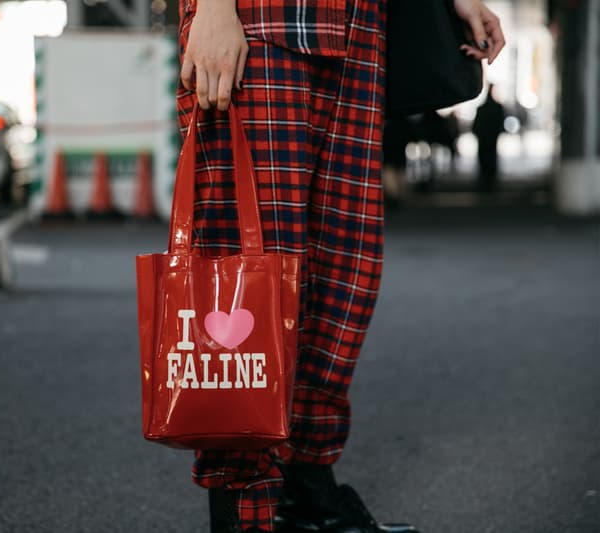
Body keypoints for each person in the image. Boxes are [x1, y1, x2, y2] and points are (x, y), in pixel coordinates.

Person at [175, 0, 505, 531]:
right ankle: (245, 511)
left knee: (344, 274)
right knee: (249, 278)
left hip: (359, 30)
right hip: (261, 22)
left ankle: (305, 493)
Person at [472, 84, 507, 193]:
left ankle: (485, 181)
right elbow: (501, 124)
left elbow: (475, 126)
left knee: (484, 159)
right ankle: (490, 181)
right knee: (491, 159)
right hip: (491, 138)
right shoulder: (497, 108)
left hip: (484, 139)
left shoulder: (482, 109)